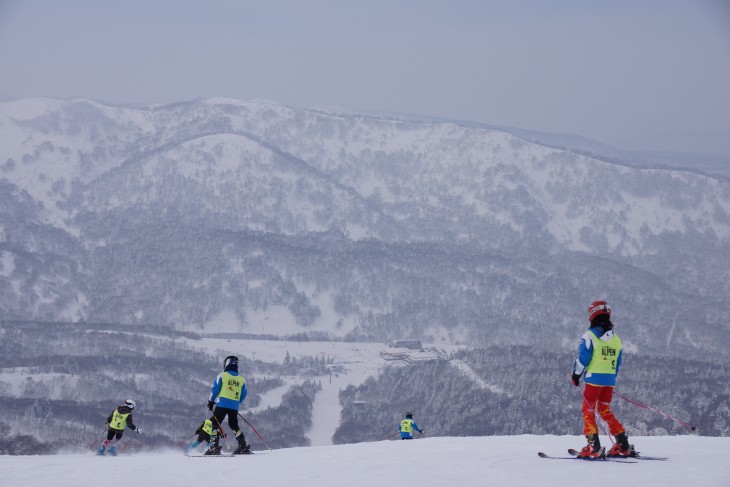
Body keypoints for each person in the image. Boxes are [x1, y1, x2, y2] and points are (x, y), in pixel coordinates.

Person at [571, 300, 636, 458]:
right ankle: (623, 444)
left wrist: (576, 375)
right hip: (609, 381)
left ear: (592, 315)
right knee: (604, 410)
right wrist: (610, 379)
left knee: (588, 410)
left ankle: (594, 446)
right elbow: (618, 363)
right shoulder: (616, 339)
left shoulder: (589, 336)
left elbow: (583, 358)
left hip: (593, 380)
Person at [205, 355, 251, 455]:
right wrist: (237, 402)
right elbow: (244, 393)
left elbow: (215, 390)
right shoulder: (241, 379)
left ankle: (214, 447)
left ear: (226, 364)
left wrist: (210, 402)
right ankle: (242, 446)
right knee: (233, 425)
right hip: (234, 406)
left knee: (214, 423)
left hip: (222, 404)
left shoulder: (222, 375)